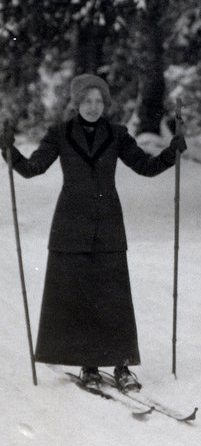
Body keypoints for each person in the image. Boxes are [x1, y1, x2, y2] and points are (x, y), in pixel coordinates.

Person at [0, 74, 186, 391]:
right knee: (79, 297)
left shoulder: (116, 134)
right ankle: (89, 365)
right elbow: (32, 169)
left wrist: (172, 152)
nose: (93, 106)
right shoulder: (59, 134)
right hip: (70, 226)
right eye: (87, 100)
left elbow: (145, 166)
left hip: (108, 224)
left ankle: (123, 366)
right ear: (76, 103)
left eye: (99, 101)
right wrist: (8, 150)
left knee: (114, 296)